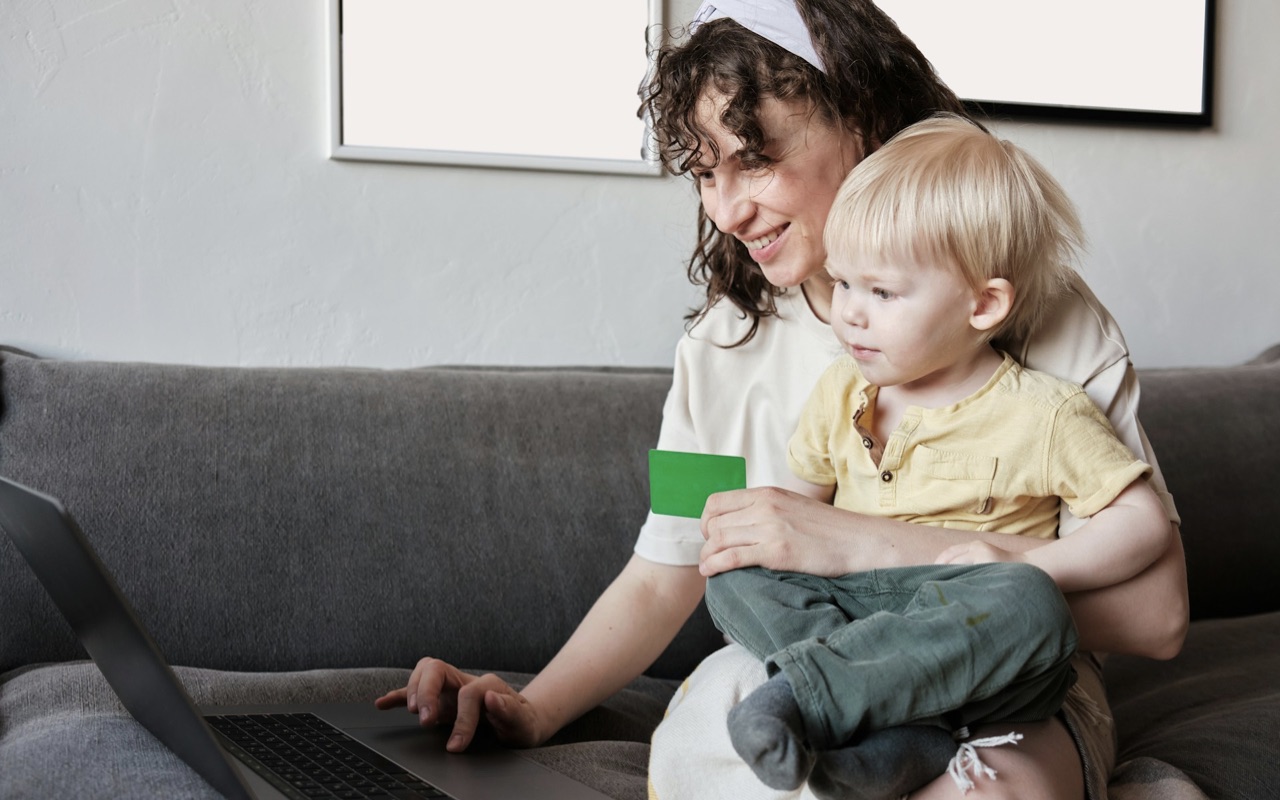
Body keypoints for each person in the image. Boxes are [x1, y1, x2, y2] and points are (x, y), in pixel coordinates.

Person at [375, 2, 1189, 798]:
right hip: (817, 665)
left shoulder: (1037, 313)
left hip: (1017, 689)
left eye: (755, 159)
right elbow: (669, 571)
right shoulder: (720, 350)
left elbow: (1155, 614)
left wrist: (852, 544)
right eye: (704, 173)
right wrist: (533, 708)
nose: (726, 211)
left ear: (862, 122)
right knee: (725, 693)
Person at [702, 114, 1172, 800]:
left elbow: (1142, 525)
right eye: (843, 284)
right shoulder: (841, 391)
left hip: (983, 650)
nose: (850, 314)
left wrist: (1027, 563)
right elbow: (796, 519)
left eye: (882, 292)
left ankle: (823, 696)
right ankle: (892, 720)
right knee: (731, 575)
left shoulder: (1044, 412)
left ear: (983, 304)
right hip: (870, 628)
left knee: (1030, 603)